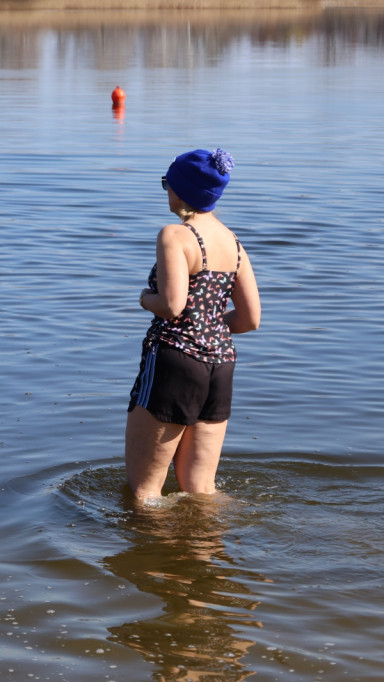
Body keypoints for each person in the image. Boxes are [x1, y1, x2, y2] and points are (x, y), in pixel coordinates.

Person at [125, 148, 261, 501]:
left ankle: (151, 555)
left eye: (167, 183)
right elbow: (250, 319)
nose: (166, 190)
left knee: (145, 492)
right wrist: (209, 327)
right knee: (201, 490)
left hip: (174, 361)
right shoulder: (234, 244)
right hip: (220, 363)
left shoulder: (175, 235)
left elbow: (171, 306)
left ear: (181, 190)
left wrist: (144, 298)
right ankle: (208, 549)